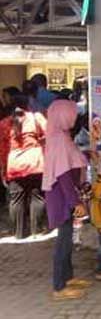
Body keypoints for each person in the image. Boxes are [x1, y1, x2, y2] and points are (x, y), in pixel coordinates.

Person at [42, 100, 92, 301]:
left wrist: (87, 155)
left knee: (68, 238)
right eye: (71, 113)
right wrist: (76, 203)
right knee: (63, 242)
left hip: (65, 196)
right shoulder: (59, 140)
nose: (74, 117)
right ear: (62, 115)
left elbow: (72, 160)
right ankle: (59, 287)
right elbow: (63, 176)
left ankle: (68, 277)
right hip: (62, 198)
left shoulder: (60, 136)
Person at [4, 94, 47, 239]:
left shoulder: (4, 124)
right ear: (28, 104)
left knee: (16, 200)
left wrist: (2, 169)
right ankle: (37, 230)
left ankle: (19, 233)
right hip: (35, 163)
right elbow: (49, 135)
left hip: (14, 164)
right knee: (37, 197)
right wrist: (40, 141)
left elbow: (2, 149)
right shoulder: (36, 118)